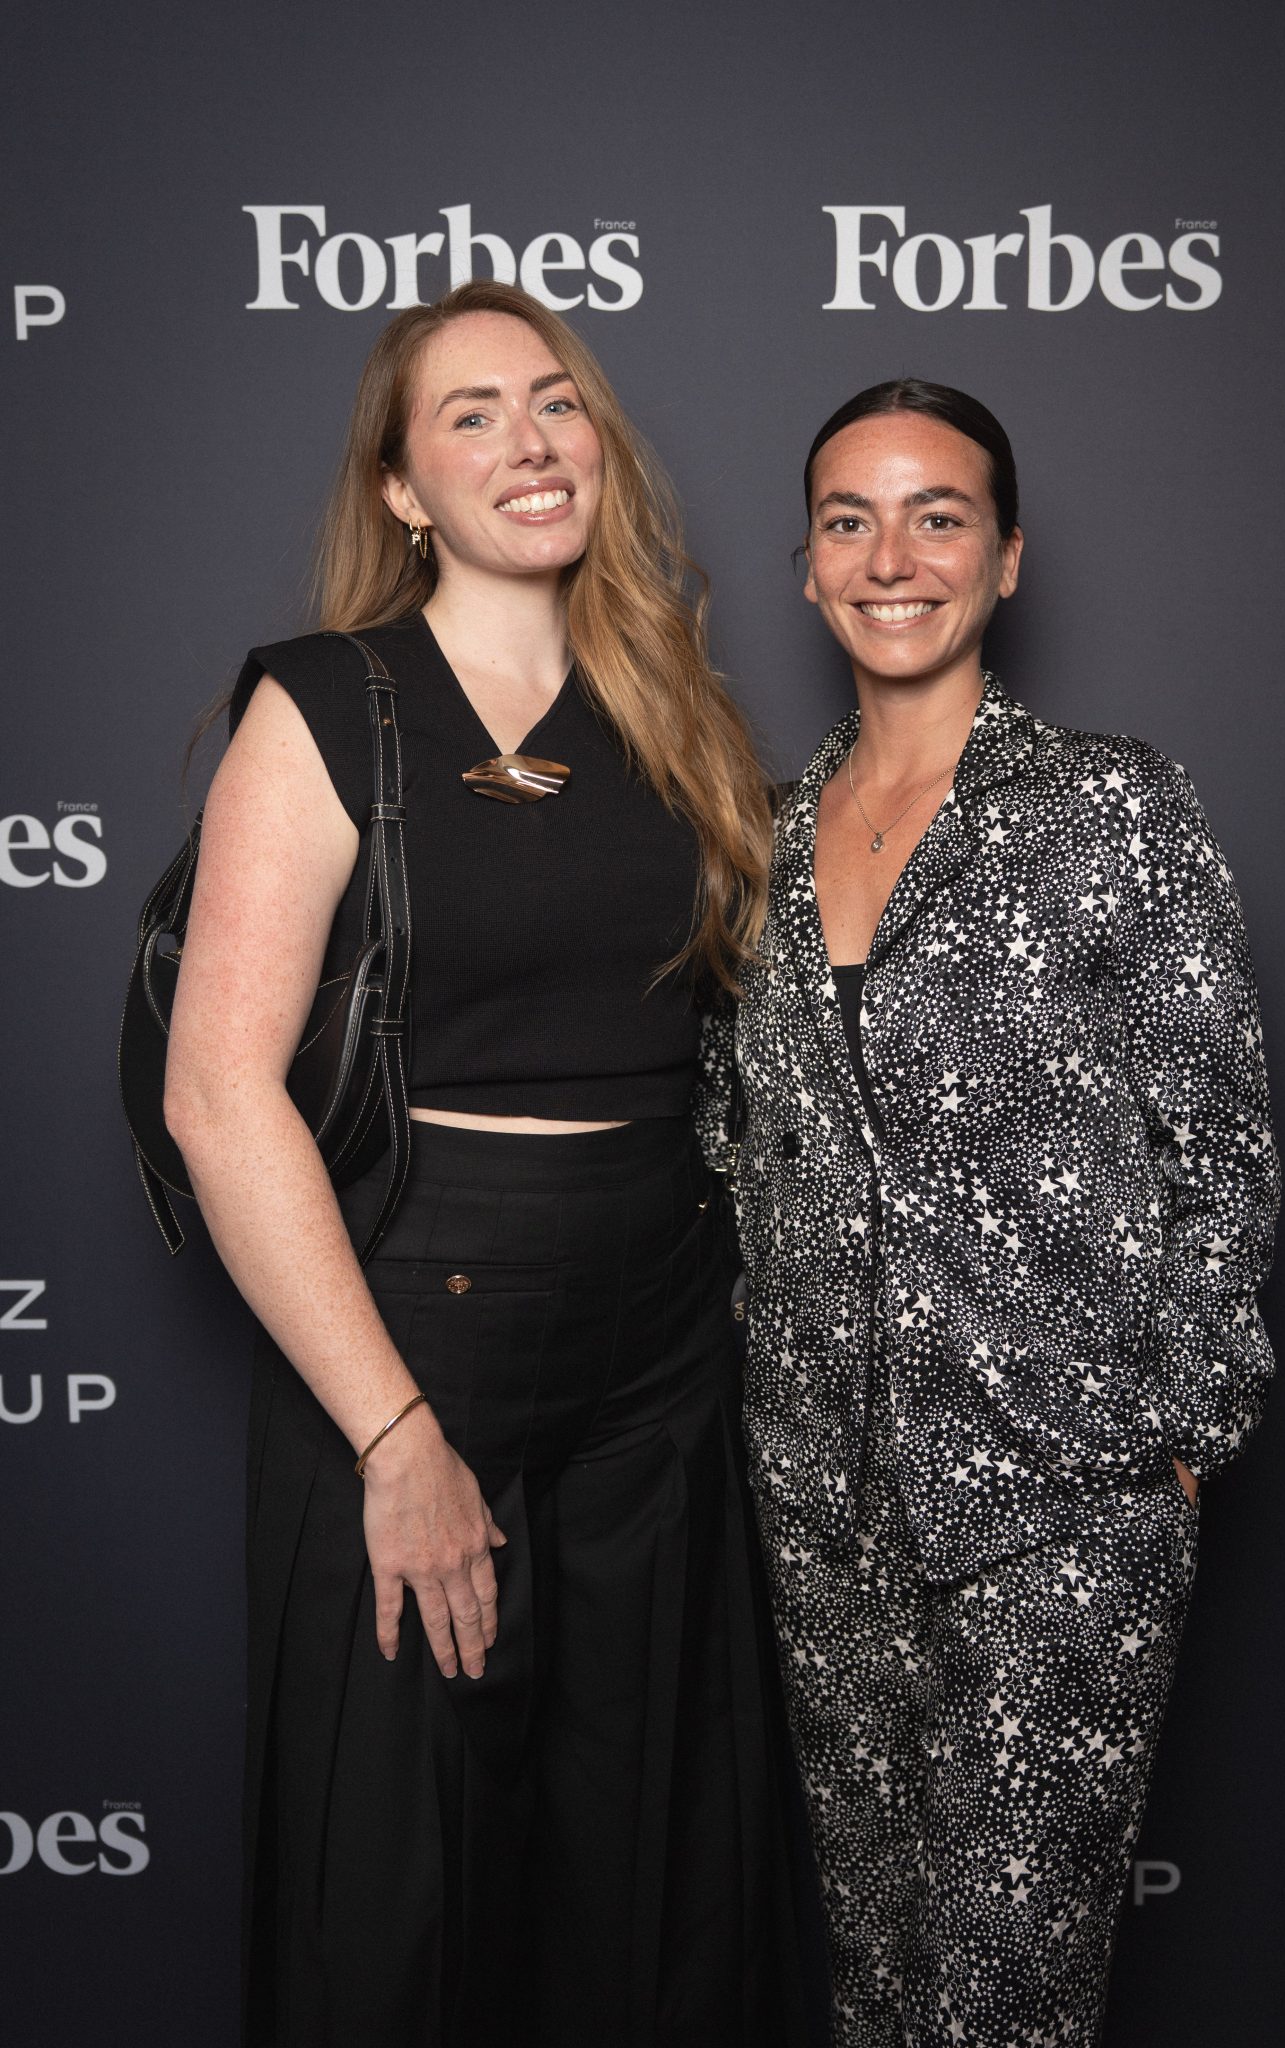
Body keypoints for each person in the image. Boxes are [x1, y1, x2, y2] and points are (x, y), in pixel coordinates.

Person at [164, 280, 804, 2047]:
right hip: (412, 1325)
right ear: (398, 489)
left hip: (664, 1339)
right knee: (400, 1895)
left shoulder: (677, 704)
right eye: (469, 416)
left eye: (554, 401)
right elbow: (220, 1096)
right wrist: (391, 1433)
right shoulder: (327, 701)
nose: (528, 443)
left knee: (649, 1883)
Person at [697, 378, 1279, 2046]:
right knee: (880, 1983)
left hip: (1059, 1511)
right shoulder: (761, 840)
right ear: (806, 567)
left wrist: (1174, 1434)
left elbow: (1215, 1142)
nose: (893, 556)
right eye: (848, 519)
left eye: (936, 516)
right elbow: (737, 1139)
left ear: (1005, 559)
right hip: (825, 1508)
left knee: (997, 2006)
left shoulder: (1110, 812)